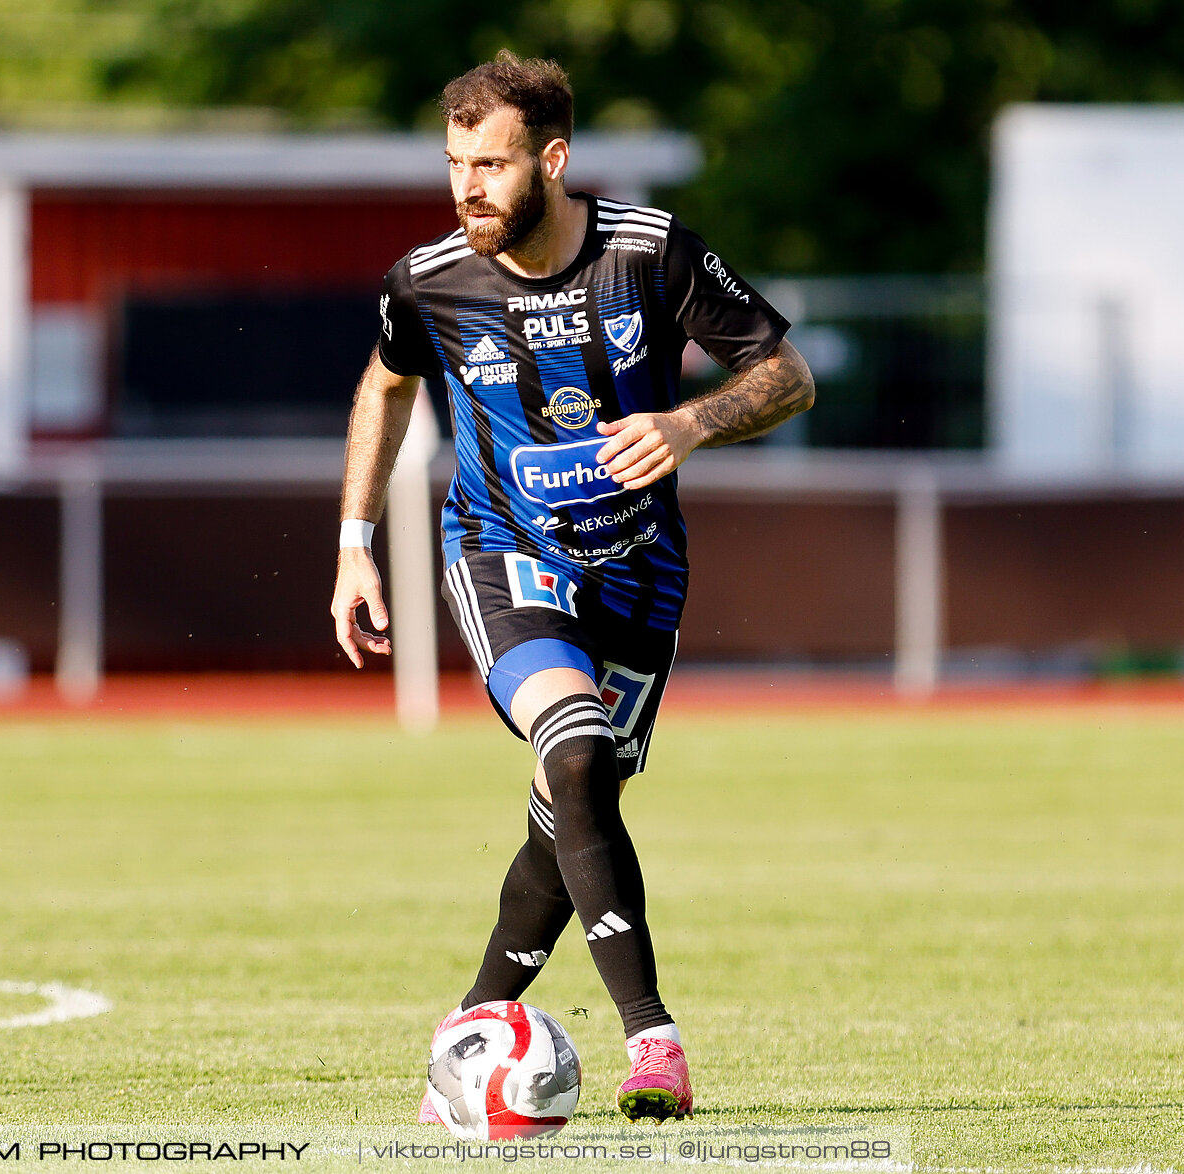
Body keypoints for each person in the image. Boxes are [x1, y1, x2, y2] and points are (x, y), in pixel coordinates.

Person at [329, 51, 814, 1122]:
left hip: (641, 577)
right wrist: (356, 540)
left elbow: (787, 373)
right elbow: (387, 381)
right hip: (503, 552)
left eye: (491, 164)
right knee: (577, 746)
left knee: (571, 806)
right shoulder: (430, 278)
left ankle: (469, 1030)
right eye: (455, 163)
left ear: (552, 159)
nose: (468, 187)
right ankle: (654, 1038)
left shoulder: (649, 254)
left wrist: (690, 423)